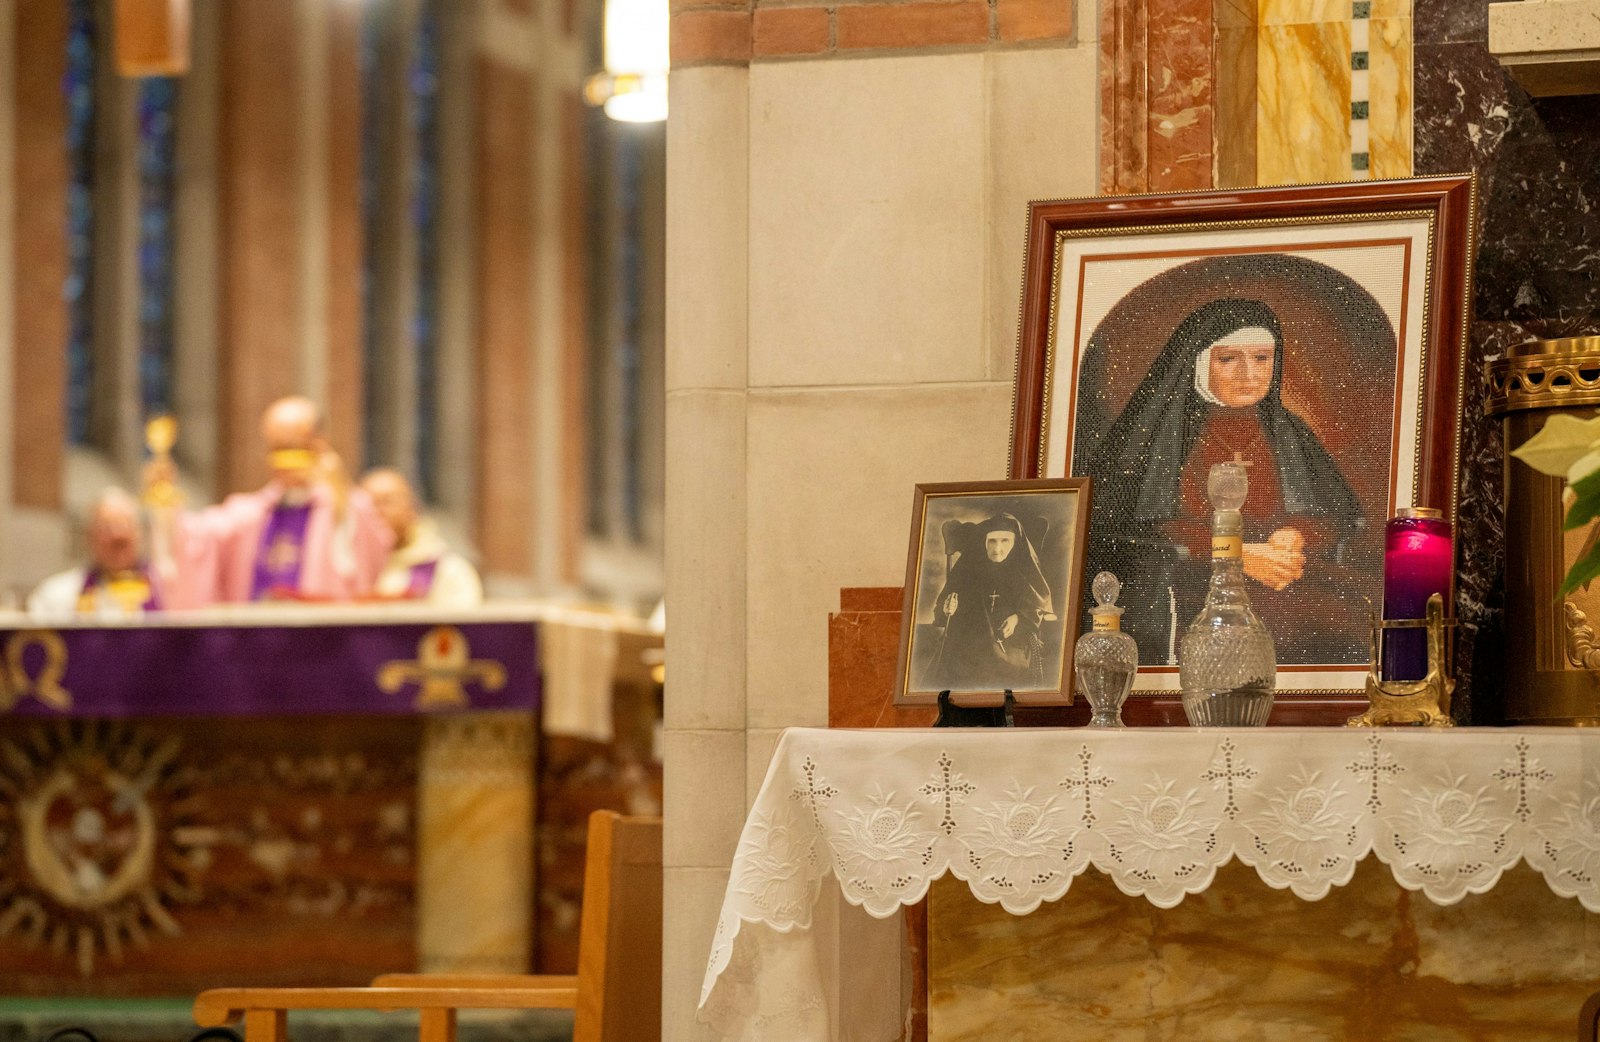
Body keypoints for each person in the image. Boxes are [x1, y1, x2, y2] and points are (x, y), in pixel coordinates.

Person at [1083, 297, 1370, 664]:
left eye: (1261, 359)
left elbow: (1339, 515)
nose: (1248, 374)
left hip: (1286, 592)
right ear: (1198, 364)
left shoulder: (1290, 432)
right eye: (1229, 359)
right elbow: (1131, 532)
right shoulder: (1156, 436)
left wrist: (1298, 534)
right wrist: (1237, 555)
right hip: (1189, 597)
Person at [149, 396, 393, 606]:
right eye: (275, 449)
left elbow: (371, 564)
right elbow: (193, 543)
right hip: (256, 645)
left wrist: (339, 494)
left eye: (292, 448)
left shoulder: (347, 508)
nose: (283, 461)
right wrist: (165, 502)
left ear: (319, 445)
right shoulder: (250, 514)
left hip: (324, 646)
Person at [925, 512, 1054, 691]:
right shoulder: (971, 567)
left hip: (1014, 638)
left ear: (1015, 542)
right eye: (992, 541)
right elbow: (948, 602)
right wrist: (948, 608)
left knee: (1010, 670)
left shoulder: (1024, 569)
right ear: (984, 542)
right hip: (972, 637)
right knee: (954, 668)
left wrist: (1018, 618)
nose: (997, 548)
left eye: (1004, 541)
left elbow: (1039, 601)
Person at [359, 468, 483, 608]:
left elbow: (462, 626)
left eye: (386, 502)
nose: (376, 512)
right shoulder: (350, 567)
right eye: (367, 505)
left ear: (411, 509)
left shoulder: (449, 570)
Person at [27, 489, 163, 617]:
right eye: (107, 528)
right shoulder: (56, 595)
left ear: (141, 534)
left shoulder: (162, 589)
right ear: (89, 536)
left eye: (127, 525)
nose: (118, 535)